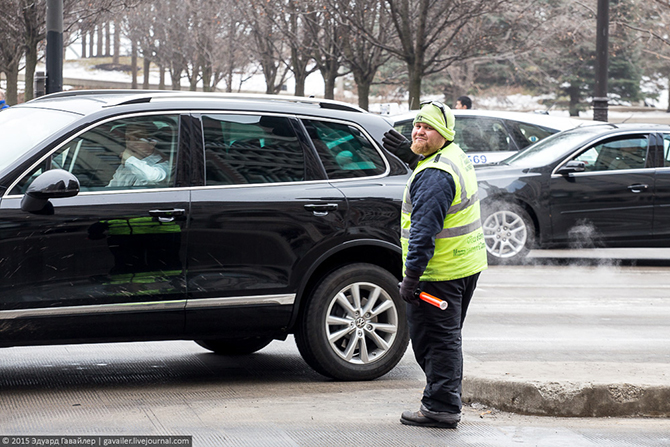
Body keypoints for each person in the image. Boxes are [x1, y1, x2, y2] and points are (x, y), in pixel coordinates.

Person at [384, 101, 487, 429]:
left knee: (436, 340)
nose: (418, 131)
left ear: (444, 134)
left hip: (438, 274)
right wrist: (416, 152)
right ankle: (445, 399)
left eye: (426, 128)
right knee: (447, 337)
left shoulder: (435, 176)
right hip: (464, 265)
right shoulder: (452, 156)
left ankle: (440, 407)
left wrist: (410, 278)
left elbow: (423, 232)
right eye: (416, 126)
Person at [108, 122, 170, 187]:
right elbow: (110, 189)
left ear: (152, 143)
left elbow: (152, 178)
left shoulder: (164, 164)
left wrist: (129, 159)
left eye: (136, 139)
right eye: (128, 139)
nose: (130, 144)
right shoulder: (126, 166)